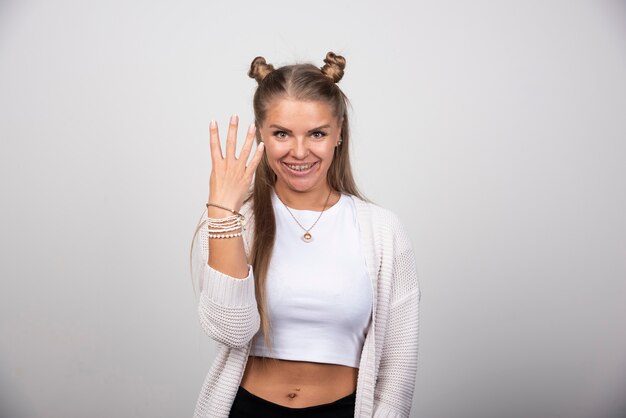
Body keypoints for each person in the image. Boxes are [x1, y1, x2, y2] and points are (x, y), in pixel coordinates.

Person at [190, 51, 420, 418]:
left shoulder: (383, 230)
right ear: (261, 133)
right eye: (282, 133)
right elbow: (229, 330)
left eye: (317, 133)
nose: (299, 152)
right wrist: (221, 212)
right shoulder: (235, 222)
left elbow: (398, 364)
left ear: (339, 134)